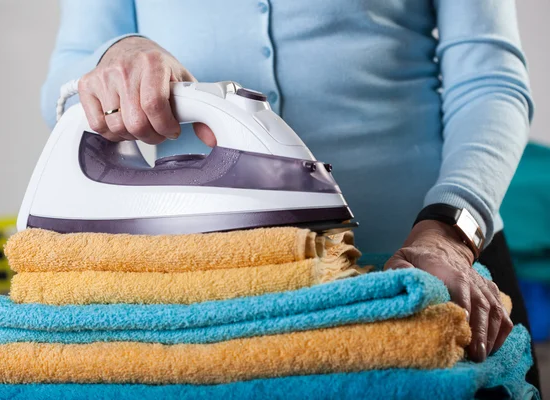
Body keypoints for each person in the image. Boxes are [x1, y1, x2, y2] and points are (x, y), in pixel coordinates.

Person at [41, 0, 540, 391]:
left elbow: (488, 79)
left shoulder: (445, 246)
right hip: (206, 290)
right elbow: (61, 87)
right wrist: (117, 58)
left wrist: (449, 231)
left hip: (433, 263)